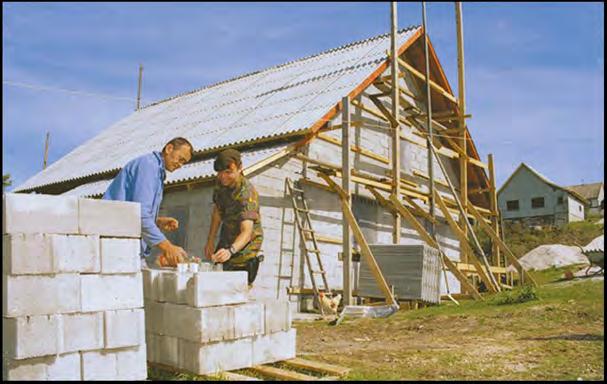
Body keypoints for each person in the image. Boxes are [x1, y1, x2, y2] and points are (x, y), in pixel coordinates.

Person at [103, 137, 193, 267]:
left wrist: (157, 221)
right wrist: (168, 247)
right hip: (116, 244)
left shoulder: (157, 171)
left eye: (184, 163)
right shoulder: (149, 166)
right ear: (169, 149)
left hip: (126, 247)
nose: (180, 165)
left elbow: (132, 211)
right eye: (180, 159)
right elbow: (140, 214)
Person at [204, 148, 264, 286]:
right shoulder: (220, 185)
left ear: (240, 168)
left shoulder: (247, 193)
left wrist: (230, 251)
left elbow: (247, 232)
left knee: (238, 287)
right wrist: (210, 240)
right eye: (220, 173)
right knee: (219, 280)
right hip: (227, 239)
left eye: (228, 172)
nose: (223, 177)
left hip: (246, 246)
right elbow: (217, 212)